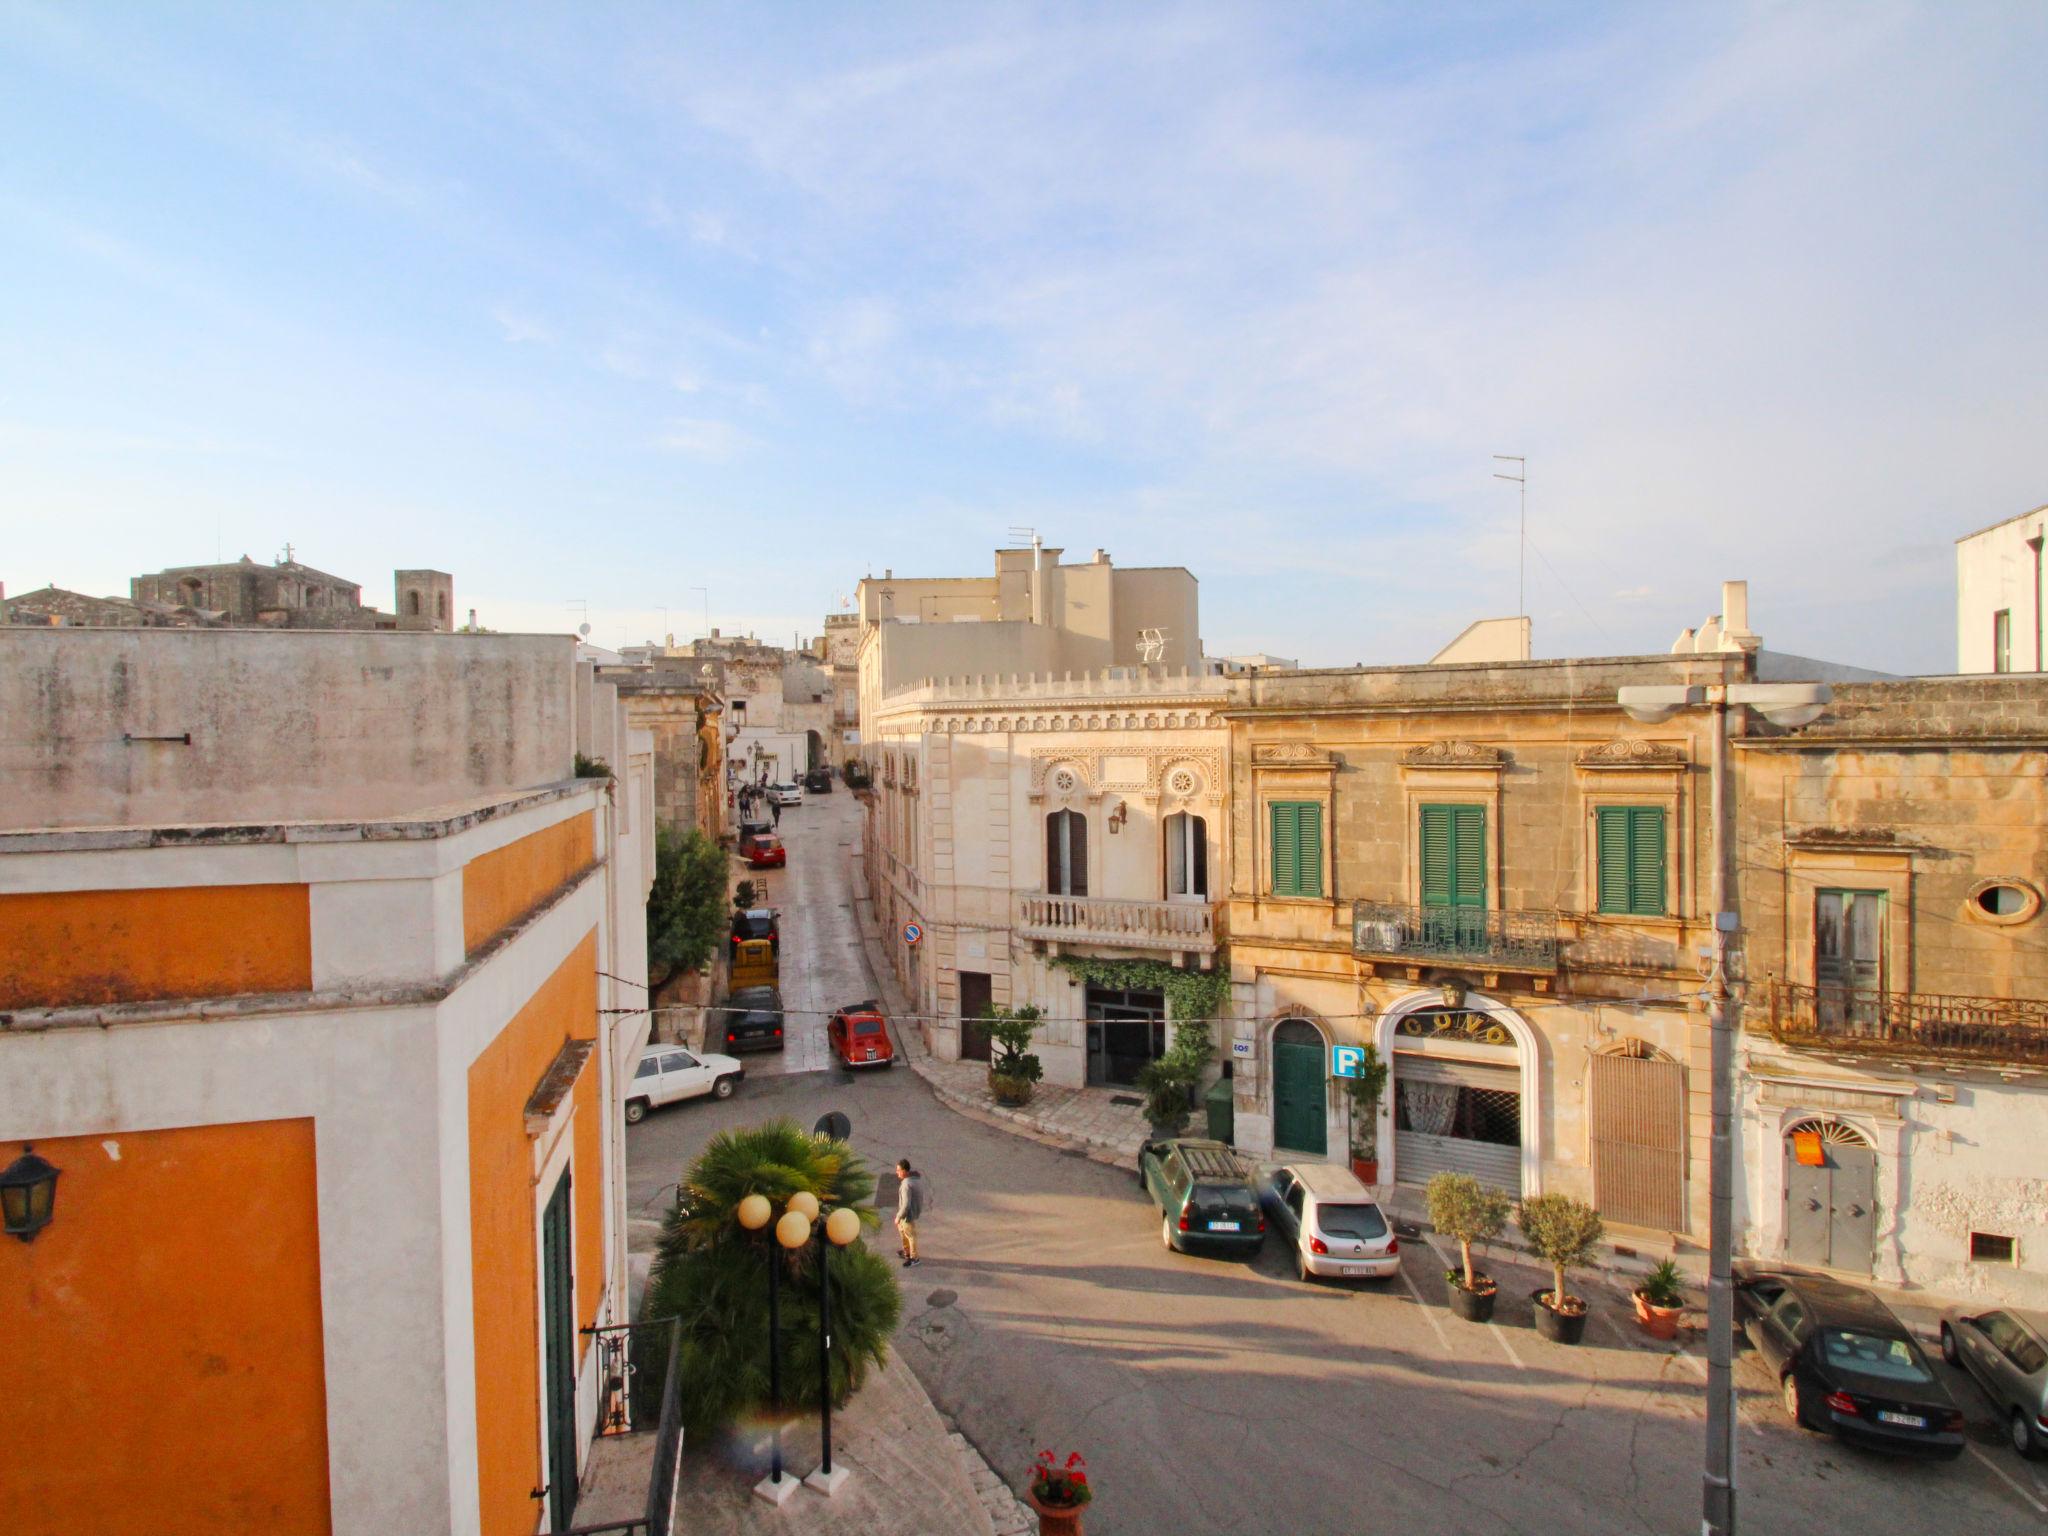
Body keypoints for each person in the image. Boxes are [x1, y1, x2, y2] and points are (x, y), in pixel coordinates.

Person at [894, 1159, 925, 1267]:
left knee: (910, 1236)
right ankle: (906, 1252)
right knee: (903, 1233)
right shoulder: (914, 1180)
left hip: (907, 1215)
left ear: (904, 1171)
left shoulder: (906, 1185)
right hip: (909, 1214)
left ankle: (914, 1258)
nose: (897, 1172)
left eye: (898, 1170)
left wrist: (898, 1216)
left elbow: (906, 1204)